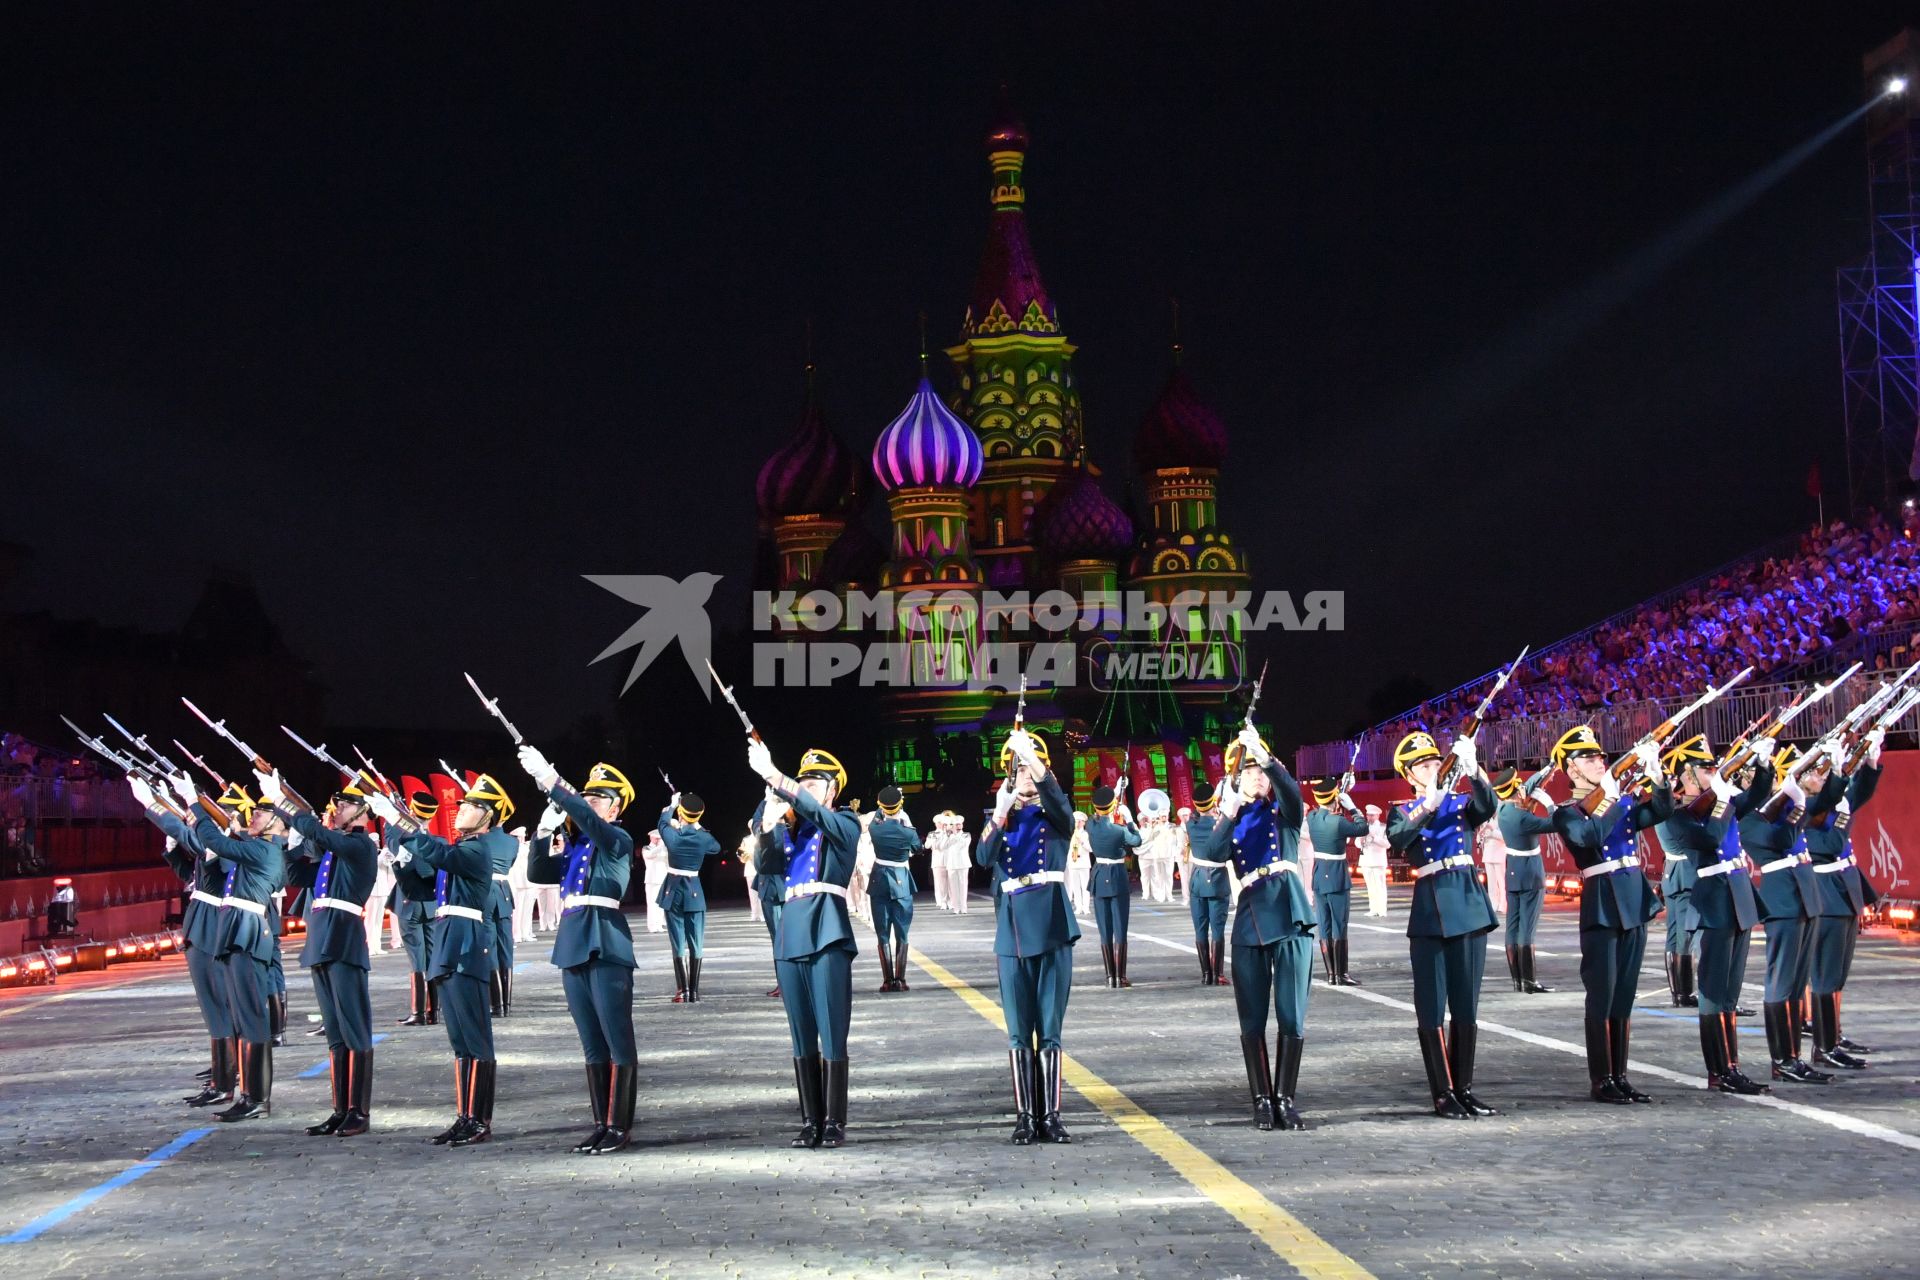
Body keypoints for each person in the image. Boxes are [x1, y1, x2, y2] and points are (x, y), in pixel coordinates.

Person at [369, 773, 518, 1147]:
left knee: (476, 1037)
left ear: (488, 817)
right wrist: (402, 858)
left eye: (470, 806)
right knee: (459, 1039)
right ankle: (464, 1114)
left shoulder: (476, 850)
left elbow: (437, 853)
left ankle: (479, 1119)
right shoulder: (459, 850)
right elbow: (421, 884)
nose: (460, 810)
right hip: (449, 947)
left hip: (467, 947)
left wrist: (400, 822)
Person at [519, 752, 641, 1154]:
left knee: (617, 1039)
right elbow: (538, 873)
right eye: (585, 796)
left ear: (616, 805)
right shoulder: (575, 849)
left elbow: (591, 823)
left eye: (598, 798)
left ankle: (620, 1125)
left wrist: (554, 780)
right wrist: (542, 830)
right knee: (591, 1042)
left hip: (605, 941)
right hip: (573, 942)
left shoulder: (617, 839)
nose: (588, 804)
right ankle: (600, 1122)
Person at [1547, 726, 1671, 1105]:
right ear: (1572, 770)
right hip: (1602, 901)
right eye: (1589, 759)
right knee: (1602, 994)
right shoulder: (1567, 813)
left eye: (1601, 757)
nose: (1599, 762)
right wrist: (1612, 799)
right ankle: (1602, 1078)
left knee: (1625, 995)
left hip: (1633, 899)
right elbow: (1588, 838)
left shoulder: (1617, 800)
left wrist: (1658, 777)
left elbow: (1661, 810)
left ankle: (1621, 1075)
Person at [747, 742, 861, 1149]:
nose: (807, 788)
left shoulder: (844, 822)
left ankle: (834, 1120)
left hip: (827, 927)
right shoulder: (791, 826)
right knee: (800, 1033)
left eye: (815, 783)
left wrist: (778, 778)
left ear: (832, 792)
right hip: (791, 931)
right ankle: (810, 1119)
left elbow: (820, 817)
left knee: (832, 1030)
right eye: (804, 781)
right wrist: (767, 823)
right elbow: (766, 866)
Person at [1387, 731, 1499, 1120]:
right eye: (1423, 765)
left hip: (1468, 903)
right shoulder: (1403, 809)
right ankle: (1442, 1091)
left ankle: (1464, 1088)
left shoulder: (1460, 803)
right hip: (1431, 910)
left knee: (1466, 1004)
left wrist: (1475, 770)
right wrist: (1425, 806)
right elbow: (1398, 838)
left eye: (1436, 762)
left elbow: (1487, 806)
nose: (1433, 768)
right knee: (1432, 1006)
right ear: (1409, 774)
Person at [262, 768, 379, 1137]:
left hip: (343, 938)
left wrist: (286, 807)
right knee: (336, 1032)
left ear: (362, 812)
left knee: (355, 1028)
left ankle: (359, 1110)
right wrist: (292, 840)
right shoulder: (335, 849)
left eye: (343, 805)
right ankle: (339, 1108)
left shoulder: (361, 845)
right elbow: (296, 875)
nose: (337, 809)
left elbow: (323, 834)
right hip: (322, 939)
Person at [976, 728, 1078, 1144]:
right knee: (1019, 1030)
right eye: (1017, 768)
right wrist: (1000, 813)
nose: (1024, 775)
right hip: (1013, 929)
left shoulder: (1055, 811)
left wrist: (1034, 758)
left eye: (1029, 768)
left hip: (1051, 924)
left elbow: (1061, 808)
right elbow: (983, 858)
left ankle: (1050, 1114)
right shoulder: (999, 818)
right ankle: (1024, 1115)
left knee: (1050, 1028)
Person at [1654, 734, 1771, 1094]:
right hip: (1713, 902)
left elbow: (1754, 798)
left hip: (1738, 898)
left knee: (1731, 992)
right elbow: (1710, 840)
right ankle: (1718, 1070)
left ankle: (1732, 1065)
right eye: (1706, 769)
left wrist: (1764, 766)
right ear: (1687, 778)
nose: (1714, 772)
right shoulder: (1675, 816)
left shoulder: (1720, 802)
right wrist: (1721, 798)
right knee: (1713, 990)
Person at [1209, 727, 1313, 1130]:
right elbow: (1212, 853)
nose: (1257, 778)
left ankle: (1285, 1098)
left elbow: (1292, 794)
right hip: (1251, 920)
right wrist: (1229, 808)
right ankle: (1260, 1099)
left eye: (1260, 772)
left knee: (1292, 1014)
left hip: (1289, 914)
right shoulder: (1232, 818)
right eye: (1248, 771)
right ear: (1235, 778)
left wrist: (1269, 760)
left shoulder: (1282, 811)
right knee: (1251, 1018)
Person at [177, 774, 288, 1123]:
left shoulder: (265, 849)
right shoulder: (258, 846)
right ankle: (249, 1095)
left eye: (260, 814)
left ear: (276, 823)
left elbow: (218, 844)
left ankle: (257, 1098)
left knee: (252, 1019)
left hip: (249, 932)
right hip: (238, 930)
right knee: (242, 1016)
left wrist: (195, 805)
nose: (252, 818)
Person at [130, 777, 238, 1108]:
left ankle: (226, 1081)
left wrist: (152, 807)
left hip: (212, 926)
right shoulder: (216, 841)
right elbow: (190, 855)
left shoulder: (227, 843)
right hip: (202, 924)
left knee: (218, 1005)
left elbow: (193, 837)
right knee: (212, 1008)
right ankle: (222, 1078)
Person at [1737, 745, 1831, 1084]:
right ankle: (1782, 1059)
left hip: (1804, 895)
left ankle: (1795, 1057)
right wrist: (1797, 803)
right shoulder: (1747, 817)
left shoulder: (1779, 807)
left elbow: (1826, 802)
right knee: (1781, 981)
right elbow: (1779, 838)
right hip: (1783, 898)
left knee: (1796, 982)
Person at [1802, 731, 1884, 1071]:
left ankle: (1833, 1035)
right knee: (1824, 974)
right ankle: (1823, 1046)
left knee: (1837, 975)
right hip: (1827, 896)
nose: (1822, 778)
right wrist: (1838, 792)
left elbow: (1860, 792)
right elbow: (1832, 843)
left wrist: (1871, 760)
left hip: (1845, 892)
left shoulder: (1830, 807)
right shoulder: (1803, 812)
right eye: (1816, 774)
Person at [1495, 769, 1557, 993]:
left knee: (1512, 926)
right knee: (1527, 929)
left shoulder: (1502, 809)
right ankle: (1530, 981)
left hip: (1513, 870)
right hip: (1531, 873)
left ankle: (1518, 981)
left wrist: (1547, 770)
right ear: (1516, 790)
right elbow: (1556, 822)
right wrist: (1549, 802)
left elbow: (1526, 787)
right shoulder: (1524, 817)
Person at [658, 792, 720, 1002]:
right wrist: (697, 826)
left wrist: (672, 805)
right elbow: (716, 847)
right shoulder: (703, 837)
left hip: (673, 890)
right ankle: (694, 991)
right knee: (697, 942)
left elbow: (663, 822)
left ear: (682, 815)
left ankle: (682, 990)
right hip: (694, 891)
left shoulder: (673, 836)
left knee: (678, 941)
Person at [1305, 775, 1367, 986]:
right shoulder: (1339, 821)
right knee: (1340, 926)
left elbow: (1328, 809)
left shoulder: (1312, 817)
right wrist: (1352, 807)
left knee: (1324, 926)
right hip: (1337, 877)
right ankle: (1342, 974)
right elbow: (1362, 827)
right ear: (1335, 799)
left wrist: (1339, 796)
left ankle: (1331, 974)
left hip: (1319, 876)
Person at [392, 785, 441, 1028]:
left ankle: (418, 1012)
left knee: (416, 958)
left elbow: (396, 849)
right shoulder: (435, 841)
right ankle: (435, 1011)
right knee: (432, 956)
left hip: (409, 905)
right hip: (430, 905)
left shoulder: (404, 839)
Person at [866, 785, 922, 993]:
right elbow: (918, 848)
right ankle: (901, 979)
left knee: (882, 933)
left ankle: (887, 980)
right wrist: (906, 821)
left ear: (881, 805)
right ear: (901, 804)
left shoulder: (875, 827)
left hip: (879, 880)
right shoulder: (907, 831)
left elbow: (877, 815)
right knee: (902, 933)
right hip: (901, 882)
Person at [1087, 783, 1141, 987]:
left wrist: (1116, 791)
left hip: (1099, 876)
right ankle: (1121, 976)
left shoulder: (1090, 825)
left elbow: (1101, 813)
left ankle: (1110, 976)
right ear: (1112, 807)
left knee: (1104, 928)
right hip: (1117, 875)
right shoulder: (1119, 830)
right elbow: (1137, 841)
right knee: (1120, 927)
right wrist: (1129, 820)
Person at [1185, 784, 1230, 986]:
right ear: (1212, 803)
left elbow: (1198, 812)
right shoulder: (1219, 825)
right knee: (1217, 928)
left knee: (1200, 928)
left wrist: (1213, 799)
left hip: (1197, 880)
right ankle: (1217, 973)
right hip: (1217, 879)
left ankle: (1206, 974)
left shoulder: (1190, 825)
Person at [749, 796, 787, 998]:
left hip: (772, 889)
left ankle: (784, 983)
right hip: (786, 887)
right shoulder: (789, 830)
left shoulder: (768, 833)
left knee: (778, 940)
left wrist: (766, 801)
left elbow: (761, 864)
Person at [1136, 790, 1177, 904]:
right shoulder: (1154, 827)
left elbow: (1175, 840)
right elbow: (1149, 839)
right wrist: (1153, 826)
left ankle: (1169, 895)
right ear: (1159, 816)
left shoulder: (1172, 826)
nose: (1164, 818)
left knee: (1168, 876)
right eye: (1162, 816)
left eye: (1165, 816)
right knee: (1159, 876)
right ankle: (1160, 895)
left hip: (1168, 854)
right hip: (1158, 855)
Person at [1358, 804, 1390, 918]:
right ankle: (1373, 909)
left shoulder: (1383, 827)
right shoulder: (1363, 827)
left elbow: (1387, 844)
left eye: (1372, 815)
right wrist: (1361, 839)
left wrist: (1374, 838)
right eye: (1368, 815)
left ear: (1377, 815)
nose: (1369, 817)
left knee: (1380, 886)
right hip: (1366, 861)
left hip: (1378, 861)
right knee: (1370, 887)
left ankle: (1382, 910)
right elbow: (1357, 844)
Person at [509, 825, 538, 944]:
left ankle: (526, 933)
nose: (522, 839)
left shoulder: (526, 847)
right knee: (517, 911)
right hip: (517, 883)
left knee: (528, 910)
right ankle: (516, 934)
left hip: (529, 882)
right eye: (520, 837)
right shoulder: (514, 848)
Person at [641, 829, 668, 934]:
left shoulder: (663, 849)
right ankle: (652, 925)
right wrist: (660, 846)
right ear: (651, 838)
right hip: (652, 880)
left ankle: (659, 924)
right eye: (657, 838)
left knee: (661, 904)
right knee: (652, 903)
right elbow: (649, 855)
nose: (658, 840)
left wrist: (664, 846)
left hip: (663, 878)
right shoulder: (646, 848)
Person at [1066, 811, 1092, 916]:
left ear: (1084, 823)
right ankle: (1078, 906)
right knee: (1075, 886)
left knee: (1085, 886)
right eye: (1076, 821)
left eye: (1080, 821)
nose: (1077, 823)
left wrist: (1082, 841)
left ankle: (1086, 907)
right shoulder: (1071, 834)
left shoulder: (1086, 834)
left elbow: (1091, 849)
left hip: (1084, 862)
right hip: (1073, 862)